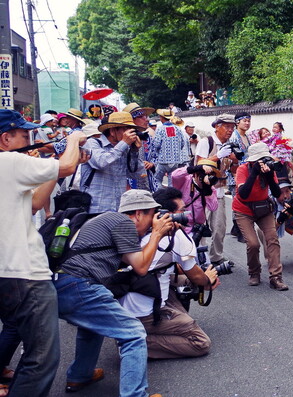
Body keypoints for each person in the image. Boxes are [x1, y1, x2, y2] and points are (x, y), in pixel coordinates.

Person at [0, 109, 86, 397]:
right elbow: (67, 167)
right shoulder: (9, 161)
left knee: (29, 347)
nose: (31, 140)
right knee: (42, 357)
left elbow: (35, 202)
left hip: (8, 273)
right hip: (25, 274)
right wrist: (73, 139)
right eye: (25, 136)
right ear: (5, 139)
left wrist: (57, 164)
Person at [55, 189, 172, 396]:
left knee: (91, 327)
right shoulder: (123, 222)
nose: (154, 220)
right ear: (137, 213)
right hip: (80, 284)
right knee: (134, 334)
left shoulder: (106, 220)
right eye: (152, 214)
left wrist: (154, 234)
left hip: (63, 285)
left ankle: (80, 376)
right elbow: (141, 267)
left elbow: (134, 260)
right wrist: (157, 234)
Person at [119, 187, 220, 359]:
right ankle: (135, 343)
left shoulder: (130, 229)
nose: (185, 216)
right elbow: (196, 276)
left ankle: (141, 332)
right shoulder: (173, 235)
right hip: (142, 314)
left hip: (123, 305)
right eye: (181, 211)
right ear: (167, 214)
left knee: (181, 280)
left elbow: (168, 267)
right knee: (200, 342)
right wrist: (207, 281)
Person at [233, 142, 288, 291]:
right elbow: (243, 194)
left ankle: (276, 277)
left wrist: (270, 176)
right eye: (260, 160)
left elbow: (277, 194)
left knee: (272, 239)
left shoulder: (270, 170)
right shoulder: (243, 169)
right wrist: (254, 173)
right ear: (252, 161)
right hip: (244, 209)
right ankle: (254, 272)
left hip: (263, 208)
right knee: (253, 244)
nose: (264, 162)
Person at [80, 112, 146, 213]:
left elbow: (138, 174)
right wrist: (124, 143)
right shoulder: (92, 143)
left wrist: (134, 152)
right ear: (112, 131)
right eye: (126, 129)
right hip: (95, 207)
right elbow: (101, 162)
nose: (130, 133)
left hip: (118, 207)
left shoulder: (124, 148)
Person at [194, 114, 239, 263]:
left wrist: (234, 161)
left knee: (219, 228)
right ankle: (199, 257)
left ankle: (215, 257)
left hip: (219, 192)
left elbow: (234, 171)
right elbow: (199, 165)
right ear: (217, 126)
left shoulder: (229, 145)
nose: (230, 130)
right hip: (202, 192)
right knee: (200, 227)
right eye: (227, 126)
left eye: (232, 127)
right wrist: (218, 156)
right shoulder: (207, 142)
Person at [227, 112, 252, 241]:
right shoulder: (233, 137)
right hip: (235, 173)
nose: (247, 123)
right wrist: (235, 174)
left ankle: (236, 228)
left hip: (246, 172)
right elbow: (231, 157)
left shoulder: (247, 137)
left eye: (249, 121)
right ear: (237, 122)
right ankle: (239, 229)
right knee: (238, 201)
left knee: (244, 200)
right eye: (245, 121)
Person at [149, 109, 189, 187]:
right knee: (172, 181)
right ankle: (171, 197)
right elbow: (182, 143)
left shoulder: (160, 129)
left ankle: (160, 197)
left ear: (161, 117)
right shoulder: (177, 128)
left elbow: (156, 144)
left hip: (163, 160)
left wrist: (156, 153)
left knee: (157, 179)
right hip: (175, 161)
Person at [123, 102, 157, 192]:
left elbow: (156, 154)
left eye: (146, 116)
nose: (146, 120)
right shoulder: (123, 139)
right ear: (131, 120)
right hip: (128, 184)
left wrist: (152, 163)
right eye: (141, 117)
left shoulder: (147, 137)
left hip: (147, 181)